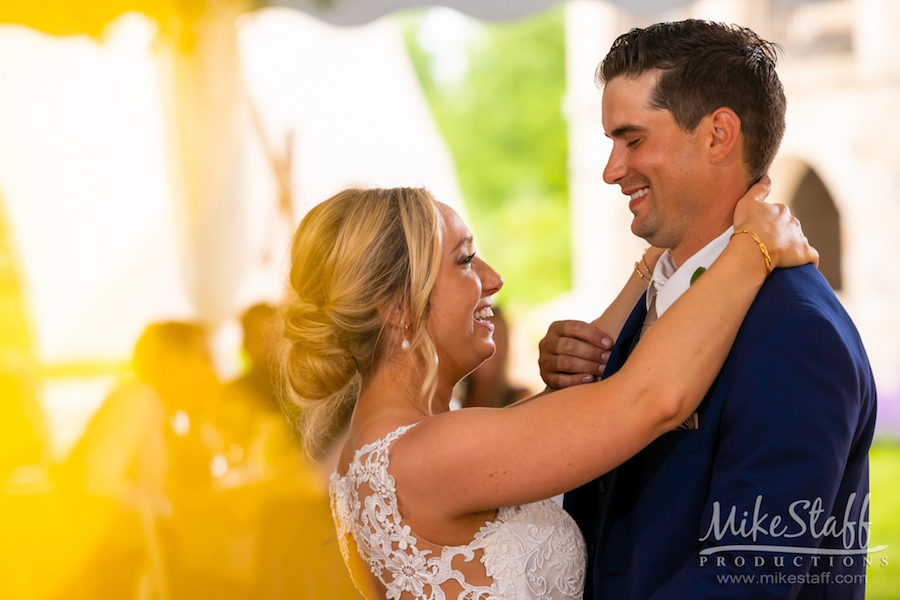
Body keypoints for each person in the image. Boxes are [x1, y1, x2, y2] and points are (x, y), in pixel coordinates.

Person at [281, 185, 816, 600]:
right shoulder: (429, 455)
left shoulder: (396, 447)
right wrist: (755, 247)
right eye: (465, 261)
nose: (494, 280)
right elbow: (649, 400)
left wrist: (662, 253)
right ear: (396, 306)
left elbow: (589, 384)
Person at [538, 20, 877, 599]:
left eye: (633, 139)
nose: (611, 169)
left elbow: (745, 581)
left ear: (719, 134)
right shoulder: (648, 300)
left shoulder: (797, 333)